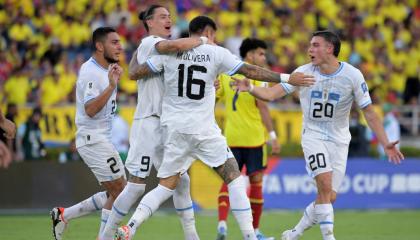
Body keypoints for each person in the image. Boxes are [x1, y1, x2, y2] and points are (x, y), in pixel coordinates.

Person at [115, 15, 314, 240]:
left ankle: (131, 226)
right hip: (204, 130)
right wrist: (287, 77)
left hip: (174, 130)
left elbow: (135, 74)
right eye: (214, 34)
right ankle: (249, 236)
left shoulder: (168, 54)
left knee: (166, 186)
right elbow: (251, 71)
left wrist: (135, 55)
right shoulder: (216, 53)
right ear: (207, 33)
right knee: (235, 179)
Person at [233, 30, 404, 240]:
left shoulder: (352, 76)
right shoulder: (303, 73)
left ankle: (294, 233)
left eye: (315, 45)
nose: (309, 49)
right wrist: (250, 87)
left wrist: (385, 142)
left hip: (340, 140)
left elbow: (368, 112)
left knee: (328, 197)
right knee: (324, 183)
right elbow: (270, 94)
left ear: (329, 49)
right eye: (310, 45)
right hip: (313, 136)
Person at [100, 5, 208, 240]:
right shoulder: (151, 42)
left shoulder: (163, 52)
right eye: (162, 17)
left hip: (166, 125)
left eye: (170, 16)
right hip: (148, 123)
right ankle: (106, 236)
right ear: (149, 22)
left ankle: (192, 237)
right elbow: (171, 46)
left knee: (181, 180)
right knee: (136, 185)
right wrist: (202, 40)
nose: (168, 19)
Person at [50, 27, 126, 240]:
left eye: (120, 42)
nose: (120, 46)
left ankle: (63, 215)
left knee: (119, 191)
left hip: (101, 139)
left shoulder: (106, 70)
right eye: (114, 42)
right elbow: (90, 110)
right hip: (93, 140)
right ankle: (104, 237)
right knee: (122, 192)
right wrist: (111, 87)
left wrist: (112, 83)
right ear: (100, 46)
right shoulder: (90, 70)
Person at [215, 38, 279, 240]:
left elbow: (214, 97)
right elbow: (264, 108)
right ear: (249, 55)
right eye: (260, 53)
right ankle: (256, 232)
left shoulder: (225, 74)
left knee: (229, 180)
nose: (263, 57)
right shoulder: (258, 79)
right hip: (254, 140)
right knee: (256, 185)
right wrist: (273, 136)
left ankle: (222, 223)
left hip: (231, 138)